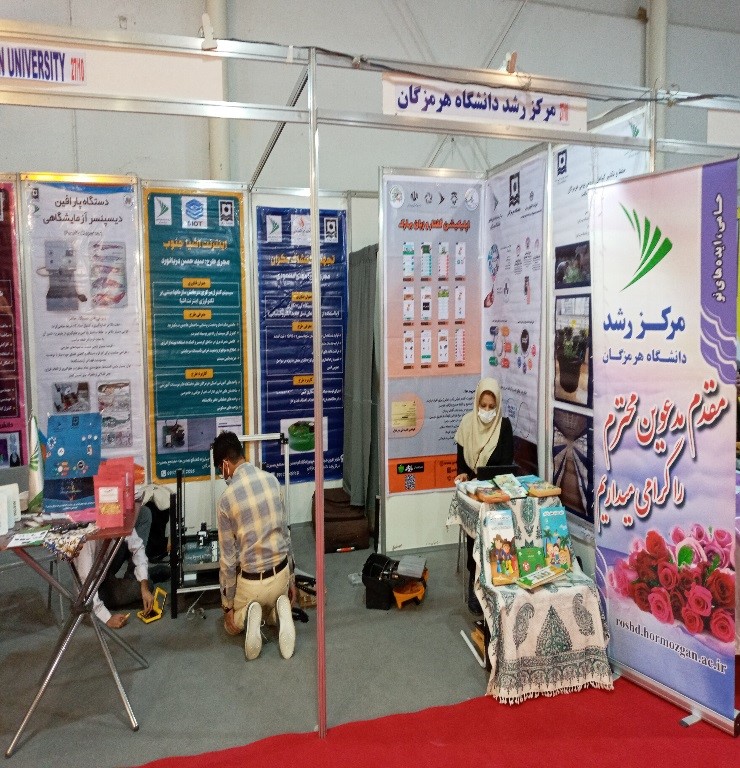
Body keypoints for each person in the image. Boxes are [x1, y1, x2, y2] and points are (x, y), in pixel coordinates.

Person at [212, 431, 296, 661]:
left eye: (220, 469)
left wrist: (227, 605)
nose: (222, 474)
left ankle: (248, 616)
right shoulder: (272, 481)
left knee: (230, 625)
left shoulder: (226, 501)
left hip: (252, 583)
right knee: (273, 602)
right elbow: (285, 535)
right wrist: (292, 580)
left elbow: (228, 560)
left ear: (225, 464)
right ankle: (278, 611)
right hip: (280, 574)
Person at [454, 377, 514, 615]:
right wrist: (464, 475)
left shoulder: (504, 426)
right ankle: (475, 580)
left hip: (496, 492)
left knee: (500, 534)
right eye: (483, 405)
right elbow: (461, 464)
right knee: (475, 532)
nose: (487, 411)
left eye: (492, 406)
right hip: (473, 492)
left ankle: (498, 582)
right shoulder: (466, 423)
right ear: (476, 402)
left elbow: (507, 466)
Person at [75, 505, 155, 629]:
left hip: (107, 562)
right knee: (146, 586)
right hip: (95, 586)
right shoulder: (87, 536)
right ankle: (139, 580)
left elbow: (137, 546)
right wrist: (106, 618)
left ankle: (138, 577)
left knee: (143, 512)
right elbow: (85, 580)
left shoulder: (115, 512)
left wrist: (143, 586)